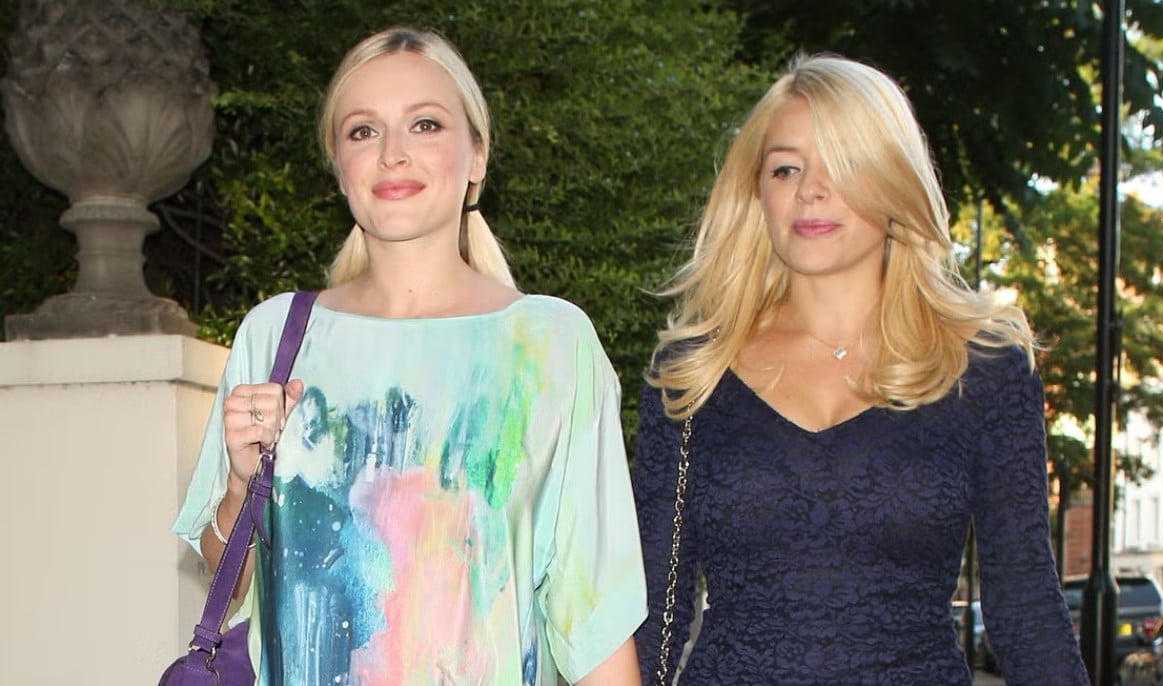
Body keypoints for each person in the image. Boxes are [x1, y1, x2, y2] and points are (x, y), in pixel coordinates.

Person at [173, 26, 646, 685]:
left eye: (425, 125)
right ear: (339, 166)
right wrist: (237, 486)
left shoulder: (551, 346)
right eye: (363, 131)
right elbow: (230, 577)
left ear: (477, 155)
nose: (393, 154)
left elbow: (593, 616)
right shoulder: (276, 335)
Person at [631, 52, 1088, 685]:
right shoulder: (695, 372)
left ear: (894, 182)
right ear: (756, 192)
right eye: (786, 168)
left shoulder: (981, 368)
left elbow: (1026, 607)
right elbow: (653, 612)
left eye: (841, 163)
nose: (810, 191)